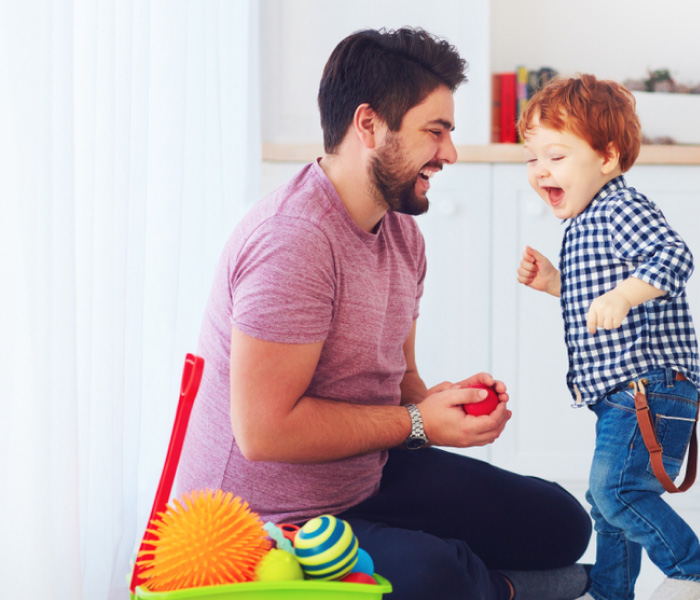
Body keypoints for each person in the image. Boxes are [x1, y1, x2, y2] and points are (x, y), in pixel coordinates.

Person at [176, 27, 592, 600]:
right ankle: (500, 588)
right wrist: (419, 424)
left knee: (562, 523)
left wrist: (439, 404)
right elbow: (264, 430)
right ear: (368, 125)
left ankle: (484, 581)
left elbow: (397, 385)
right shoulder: (293, 243)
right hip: (270, 517)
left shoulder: (401, 233)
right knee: (436, 576)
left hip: (363, 475)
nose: (449, 153)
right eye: (435, 132)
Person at [516, 74, 700, 600]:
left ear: (606, 158)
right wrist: (555, 284)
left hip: (649, 386)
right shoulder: (582, 222)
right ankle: (611, 590)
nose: (541, 171)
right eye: (533, 159)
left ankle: (691, 569)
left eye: (556, 157)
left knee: (617, 490)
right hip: (624, 392)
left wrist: (626, 295)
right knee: (604, 496)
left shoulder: (618, 208)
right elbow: (599, 304)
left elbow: (675, 257)